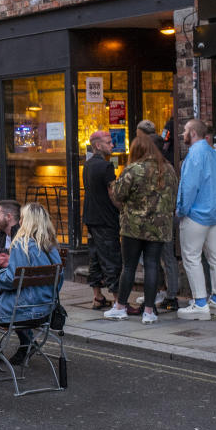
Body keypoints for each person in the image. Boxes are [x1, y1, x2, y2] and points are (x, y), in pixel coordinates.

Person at [0, 203, 64, 380]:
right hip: (45, 311)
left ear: (28, 222)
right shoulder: (52, 246)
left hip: (21, 309)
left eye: (22, 218)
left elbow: (12, 281)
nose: (20, 222)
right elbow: (57, 282)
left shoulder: (22, 244)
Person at [108, 133, 176, 324]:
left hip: (134, 227)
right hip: (160, 227)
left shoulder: (133, 169)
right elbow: (174, 196)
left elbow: (118, 194)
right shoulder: (169, 169)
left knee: (129, 266)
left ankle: (120, 307)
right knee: (153, 265)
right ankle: (148, 311)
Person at [176, 119, 216, 320]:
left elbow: (189, 187)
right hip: (214, 215)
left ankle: (199, 303)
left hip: (195, 215)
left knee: (192, 258)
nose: (183, 134)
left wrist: (181, 210)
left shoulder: (194, 155)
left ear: (194, 133)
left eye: (185, 131)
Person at [138, 119, 181, 310]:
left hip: (150, 220)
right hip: (167, 217)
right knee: (168, 258)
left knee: (151, 259)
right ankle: (170, 295)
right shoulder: (170, 168)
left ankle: (155, 296)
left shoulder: (144, 169)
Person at [83, 130, 122, 310]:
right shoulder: (106, 167)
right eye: (108, 142)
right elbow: (112, 193)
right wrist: (122, 207)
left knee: (96, 258)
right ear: (98, 145)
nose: (112, 145)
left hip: (91, 217)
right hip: (106, 219)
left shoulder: (88, 165)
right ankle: (118, 301)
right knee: (112, 259)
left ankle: (97, 297)